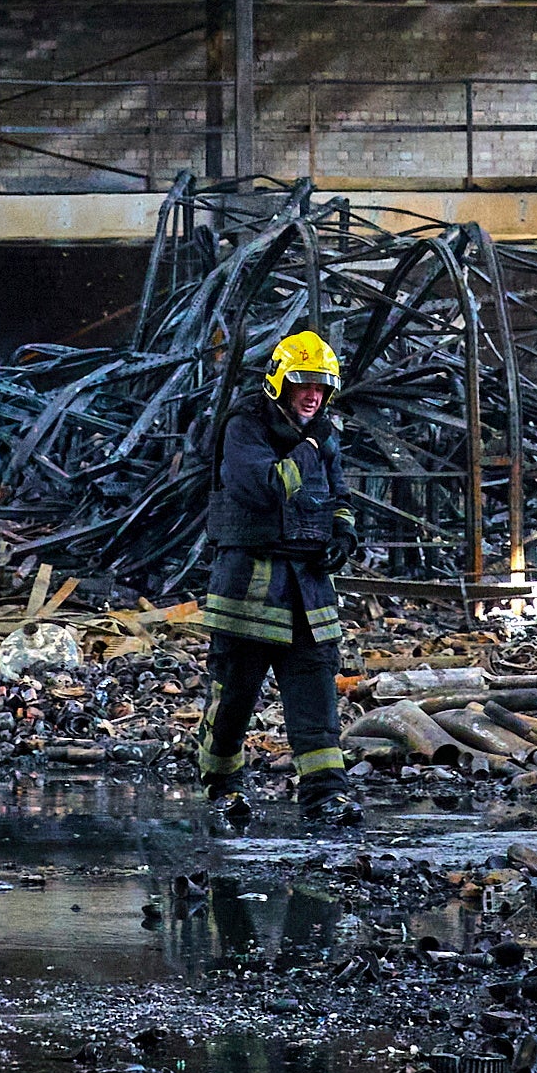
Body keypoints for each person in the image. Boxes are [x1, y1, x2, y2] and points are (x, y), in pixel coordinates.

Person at [196, 326, 353, 830]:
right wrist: (310, 446)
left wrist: (344, 535)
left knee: (317, 700)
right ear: (279, 384)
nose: (314, 396)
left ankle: (327, 798)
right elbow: (267, 487)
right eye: (304, 385)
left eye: (322, 388)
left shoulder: (324, 433)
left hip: (309, 590)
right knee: (234, 700)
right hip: (249, 591)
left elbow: (341, 496)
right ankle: (223, 791)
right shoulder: (244, 426)